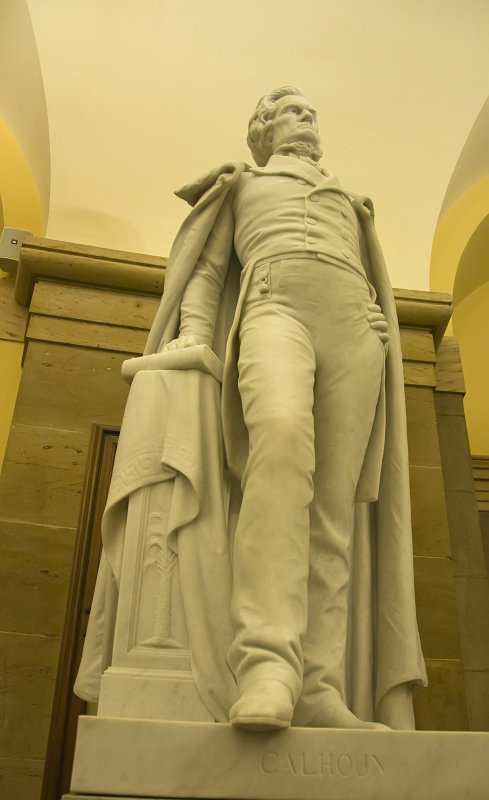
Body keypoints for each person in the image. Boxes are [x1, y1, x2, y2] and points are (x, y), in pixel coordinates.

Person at [146, 86, 427, 731]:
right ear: (264, 129)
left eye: (312, 112)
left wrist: (376, 320)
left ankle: (319, 685)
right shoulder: (241, 185)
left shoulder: (352, 206)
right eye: (294, 111)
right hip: (275, 309)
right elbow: (208, 274)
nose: (308, 119)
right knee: (277, 446)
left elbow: (367, 272)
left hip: (354, 333)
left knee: (333, 510)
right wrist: (192, 336)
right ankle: (267, 663)